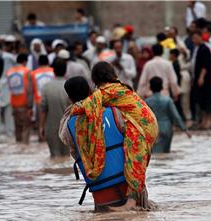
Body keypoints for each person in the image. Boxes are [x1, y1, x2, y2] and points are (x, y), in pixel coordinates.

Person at [67, 62, 158, 211]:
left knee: (134, 162)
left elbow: (86, 105)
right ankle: (138, 201)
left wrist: (72, 110)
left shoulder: (105, 92)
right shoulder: (120, 87)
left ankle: (131, 203)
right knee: (136, 162)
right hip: (148, 123)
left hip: (141, 126)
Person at [59, 76, 130, 210]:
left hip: (101, 192)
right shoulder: (115, 112)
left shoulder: (69, 125)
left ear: (70, 98)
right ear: (90, 90)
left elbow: (68, 143)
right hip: (128, 184)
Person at [145, 76, 191, 153]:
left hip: (153, 129)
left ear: (150, 87)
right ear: (162, 87)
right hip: (167, 129)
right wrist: (185, 129)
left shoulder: (147, 102)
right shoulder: (168, 100)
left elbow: (144, 119)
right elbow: (176, 116)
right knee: (165, 154)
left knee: (155, 154)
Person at [39, 59, 70, 156]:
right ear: (65, 71)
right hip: (68, 128)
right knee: (68, 156)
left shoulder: (46, 87)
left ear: (53, 71)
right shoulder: (70, 86)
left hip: (51, 128)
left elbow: (43, 109)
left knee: (54, 156)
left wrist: (41, 127)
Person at [6, 53, 34, 144]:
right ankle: (24, 152)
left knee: (17, 130)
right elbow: (29, 90)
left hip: (13, 104)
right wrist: (30, 106)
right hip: (25, 105)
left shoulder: (9, 71)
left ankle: (18, 151)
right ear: (25, 61)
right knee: (26, 130)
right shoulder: (27, 71)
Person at [190, 30, 211, 129]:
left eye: (195, 38)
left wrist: (201, 77)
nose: (194, 40)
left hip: (204, 79)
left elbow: (206, 65)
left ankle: (209, 120)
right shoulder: (197, 49)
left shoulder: (205, 49)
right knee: (199, 100)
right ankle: (203, 119)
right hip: (196, 77)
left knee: (206, 99)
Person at [0, 35, 17, 138]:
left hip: (5, 87)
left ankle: (0, 133)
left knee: (2, 112)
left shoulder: (4, 56)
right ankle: (8, 133)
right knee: (6, 113)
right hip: (5, 86)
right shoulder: (9, 57)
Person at [30, 54, 55, 124]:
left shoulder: (33, 73)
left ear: (38, 62)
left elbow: (31, 90)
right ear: (48, 61)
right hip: (52, 99)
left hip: (39, 101)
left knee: (41, 123)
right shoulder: (54, 71)